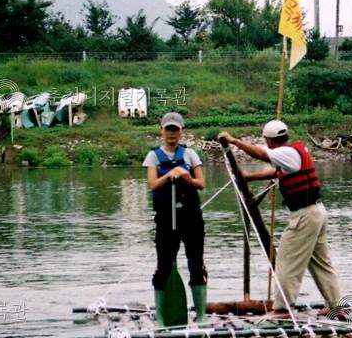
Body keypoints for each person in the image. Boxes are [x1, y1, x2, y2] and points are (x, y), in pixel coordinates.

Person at [217, 121, 341, 316]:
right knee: (321, 263)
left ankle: (283, 308)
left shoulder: (284, 153)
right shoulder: (293, 152)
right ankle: (336, 307)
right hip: (317, 212)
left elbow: (260, 154)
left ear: (268, 140)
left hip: (305, 215)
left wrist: (234, 141)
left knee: (286, 259)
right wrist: (250, 177)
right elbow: (277, 172)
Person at [144, 112, 208, 323]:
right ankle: (161, 318)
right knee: (164, 264)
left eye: (175, 129)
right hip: (165, 217)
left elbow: (201, 184)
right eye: (168, 129)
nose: (171, 133)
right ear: (162, 131)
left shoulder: (190, 155)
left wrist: (186, 177)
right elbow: (153, 184)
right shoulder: (153, 156)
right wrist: (169, 176)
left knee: (196, 263)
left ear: (181, 131)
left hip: (191, 216)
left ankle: (200, 316)